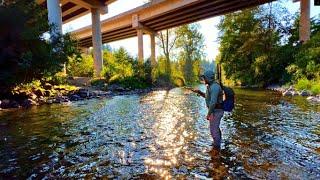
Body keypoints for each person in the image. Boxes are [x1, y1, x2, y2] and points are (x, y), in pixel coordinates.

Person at [191, 70, 224, 150]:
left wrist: (209, 114)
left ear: (208, 78)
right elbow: (208, 97)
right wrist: (199, 92)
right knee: (215, 128)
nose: (203, 79)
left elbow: (213, 102)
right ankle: (218, 142)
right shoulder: (211, 86)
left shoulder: (215, 87)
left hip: (216, 111)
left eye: (204, 78)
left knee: (213, 131)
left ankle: (216, 148)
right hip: (215, 111)